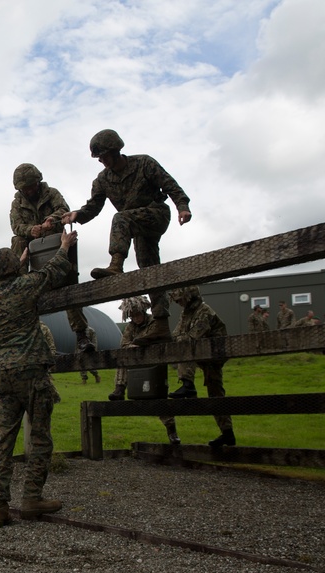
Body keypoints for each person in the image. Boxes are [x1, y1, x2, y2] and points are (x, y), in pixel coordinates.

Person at [0, 229, 77, 528]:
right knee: (39, 438)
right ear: (14, 268)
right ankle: (32, 498)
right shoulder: (26, 286)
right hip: (31, 371)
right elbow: (53, 272)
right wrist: (64, 246)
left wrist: (17, 262)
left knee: (3, 441)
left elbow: (14, 278)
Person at [63, 130, 192, 345]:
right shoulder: (103, 179)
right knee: (150, 269)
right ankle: (161, 323)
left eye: (104, 156)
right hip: (137, 226)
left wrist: (183, 207)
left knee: (120, 218)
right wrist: (77, 215)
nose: (102, 161)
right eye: (99, 158)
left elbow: (170, 185)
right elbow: (93, 206)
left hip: (156, 214)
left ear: (115, 151)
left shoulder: (144, 164)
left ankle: (116, 264)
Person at [10, 163, 93, 351]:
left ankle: (81, 335)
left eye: (31, 186)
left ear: (38, 182)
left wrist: (51, 220)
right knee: (17, 240)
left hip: (56, 246)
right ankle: (18, 281)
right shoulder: (17, 203)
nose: (29, 190)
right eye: (25, 188)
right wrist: (31, 230)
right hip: (32, 250)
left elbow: (64, 209)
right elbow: (16, 226)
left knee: (70, 289)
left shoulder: (52, 193)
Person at [168, 286, 235, 447]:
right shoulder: (187, 313)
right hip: (202, 353)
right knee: (215, 392)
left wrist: (181, 338)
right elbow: (177, 333)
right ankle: (228, 434)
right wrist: (180, 338)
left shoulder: (204, 311)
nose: (179, 304)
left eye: (181, 300)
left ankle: (227, 432)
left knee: (216, 393)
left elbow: (193, 335)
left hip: (214, 354)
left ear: (190, 297)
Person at [108, 296, 179, 445]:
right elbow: (124, 344)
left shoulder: (155, 322)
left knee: (160, 398)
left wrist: (143, 346)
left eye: (137, 314)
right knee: (122, 359)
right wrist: (133, 348)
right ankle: (119, 389)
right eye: (132, 316)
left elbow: (160, 339)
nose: (135, 318)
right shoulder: (130, 327)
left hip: (154, 364)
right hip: (136, 363)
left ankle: (172, 431)